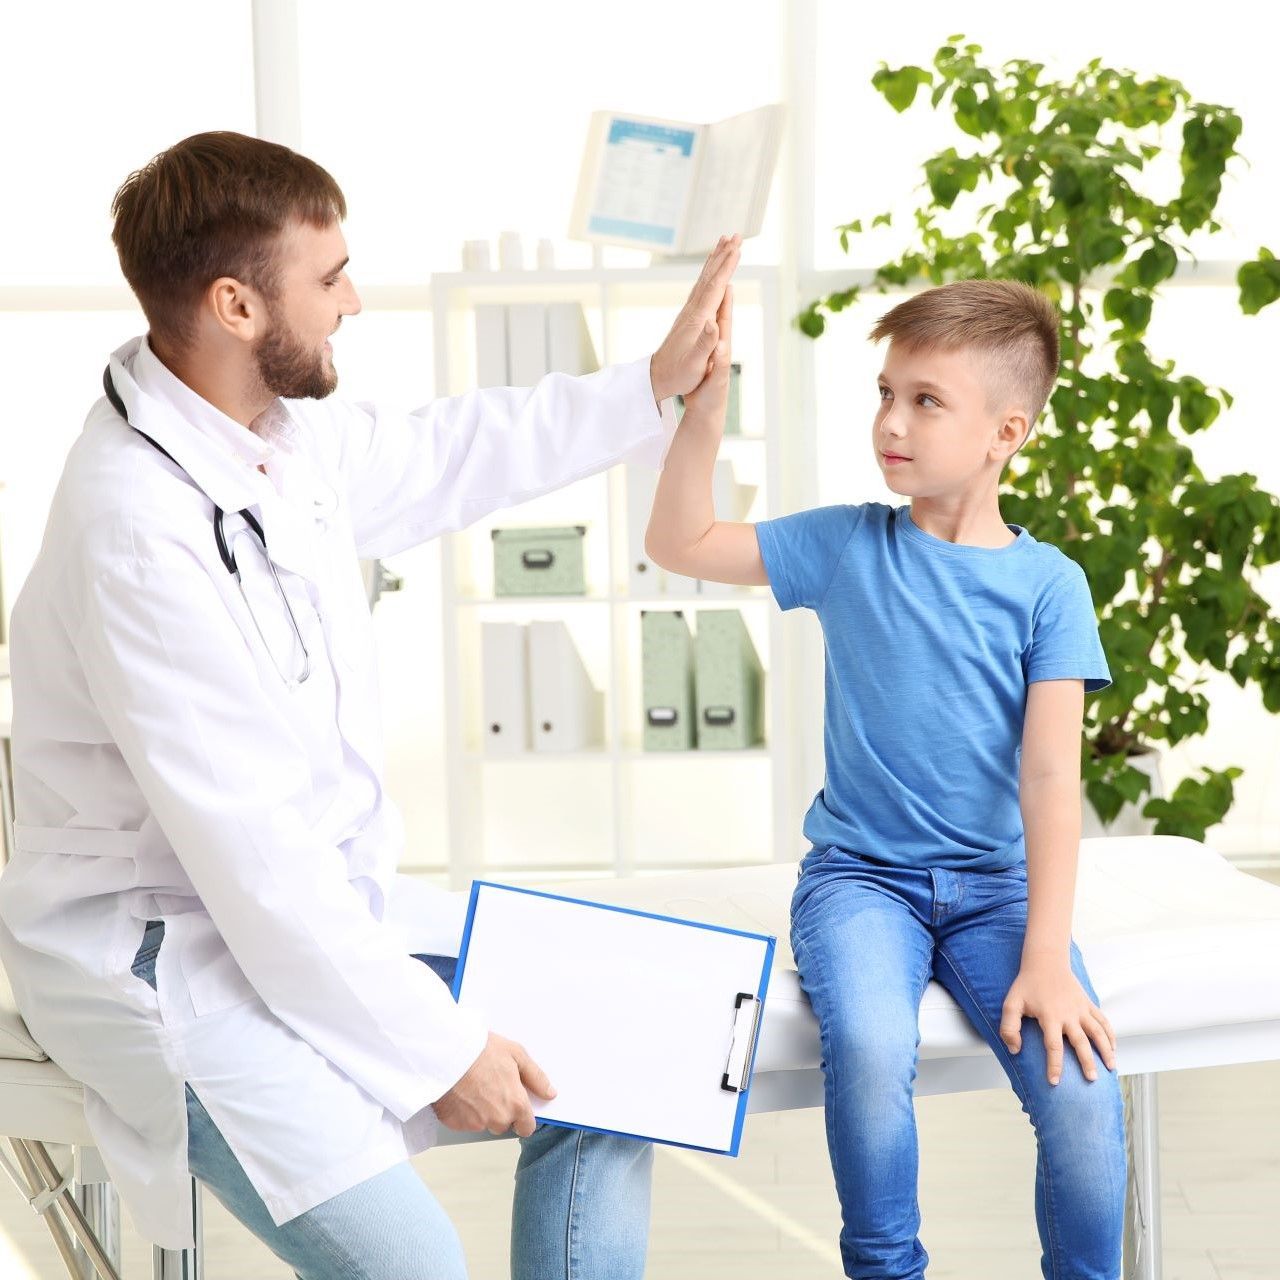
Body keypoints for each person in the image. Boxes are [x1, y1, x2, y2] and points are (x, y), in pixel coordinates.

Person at [0, 130, 741, 1279]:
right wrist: (439, 1050)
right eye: (331, 277)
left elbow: (450, 452)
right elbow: (256, 862)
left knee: (615, 1060)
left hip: (302, 918)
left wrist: (650, 380)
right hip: (164, 963)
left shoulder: (267, 435)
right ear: (237, 304)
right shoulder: (134, 529)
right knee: (418, 1267)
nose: (354, 301)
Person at [645, 277, 1127, 1279]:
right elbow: (677, 543)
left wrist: (1044, 956)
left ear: (1006, 432)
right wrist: (705, 411)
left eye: (925, 401)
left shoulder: (1049, 586)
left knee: (1083, 1096)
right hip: (861, 882)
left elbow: (1049, 777)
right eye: (885, 393)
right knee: (867, 1050)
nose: (890, 422)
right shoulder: (846, 545)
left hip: (995, 894)